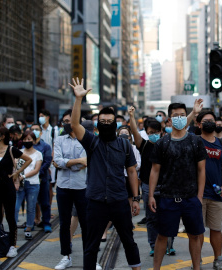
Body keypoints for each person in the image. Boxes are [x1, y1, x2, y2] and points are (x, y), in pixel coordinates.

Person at [69, 78, 141, 270]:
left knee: (129, 241)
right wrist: (78, 99)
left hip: (119, 200)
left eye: (110, 121)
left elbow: (132, 171)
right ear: (97, 124)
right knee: (91, 246)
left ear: (116, 125)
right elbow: (75, 125)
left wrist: (135, 198)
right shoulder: (92, 142)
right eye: (103, 122)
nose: (106, 124)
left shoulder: (125, 145)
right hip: (96, 201)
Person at [148, 102, 207, 270]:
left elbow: (201, 170)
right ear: (169, 119)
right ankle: (156, 268)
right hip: (167, 197)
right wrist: (151, 195)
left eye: (182, 115)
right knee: (162, 236)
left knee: (195, 236)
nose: (179, 118)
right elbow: (155, 170)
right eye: (175, 115)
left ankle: (196, 267)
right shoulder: (162, 143)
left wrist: (200, 196)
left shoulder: (195, 141)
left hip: (191, 198)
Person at [0, 127, 32, 258]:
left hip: (7, 185)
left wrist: (17, 173)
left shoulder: (11, 149)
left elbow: (28, 159)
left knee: (9, 216)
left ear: (2, 136)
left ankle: (12, 246)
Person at [196, 111, 222, 270]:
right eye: (205, 121)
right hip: (197, 194)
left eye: (212, 120)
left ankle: (218, 259)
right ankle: (196, 261)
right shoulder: (194, 141)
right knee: (197, 231)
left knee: (216, 229)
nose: (210, 123)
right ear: (199, 125)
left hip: (217, 194)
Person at [53, 109, 89, 270]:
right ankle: (65, 256)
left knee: (87, 224)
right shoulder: (59, 139)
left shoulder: (86, 139)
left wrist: (67, 163)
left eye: (70, 121)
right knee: (64, 223)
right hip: (63, 187)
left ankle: (91, 258)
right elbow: (57, 161)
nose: (68, 124)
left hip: (82, 186)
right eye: (65, 122)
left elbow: (85, 162)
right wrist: (75, 162)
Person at [129, 107, 163, 256]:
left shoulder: (167, 144)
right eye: (150, 133)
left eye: (156, 133)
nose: (153, 135)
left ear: (161, 132)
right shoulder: (144, 145)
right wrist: (132, 116)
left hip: (165, 185)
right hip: (147, 186)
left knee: (167, 216)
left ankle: (168, 244)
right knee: (151, 217)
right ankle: (153, 245)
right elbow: (135, 132)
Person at [14, 130, 43, 240]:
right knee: (15, 207)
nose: (27, 141)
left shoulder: (38, 154)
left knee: (31, 207)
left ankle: (29, 228)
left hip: (33, 183)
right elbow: (15, 167)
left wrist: (23, 176)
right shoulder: (19, 152)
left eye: (29, 139)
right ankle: (14, 228)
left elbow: (36, 170)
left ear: (34, 141)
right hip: (19, 184)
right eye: (25, 139)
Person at [30, 123, 53, 233]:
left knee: (44, 202)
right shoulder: (27, 146)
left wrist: (38, 171)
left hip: (42, 178)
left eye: (36, 129)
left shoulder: (45, 146)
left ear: (41, 132)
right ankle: (31, 223)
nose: (34, 131)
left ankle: (46, 222)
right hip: (30, 179)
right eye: (32, 129)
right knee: (31, 202)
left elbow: (47, 161)